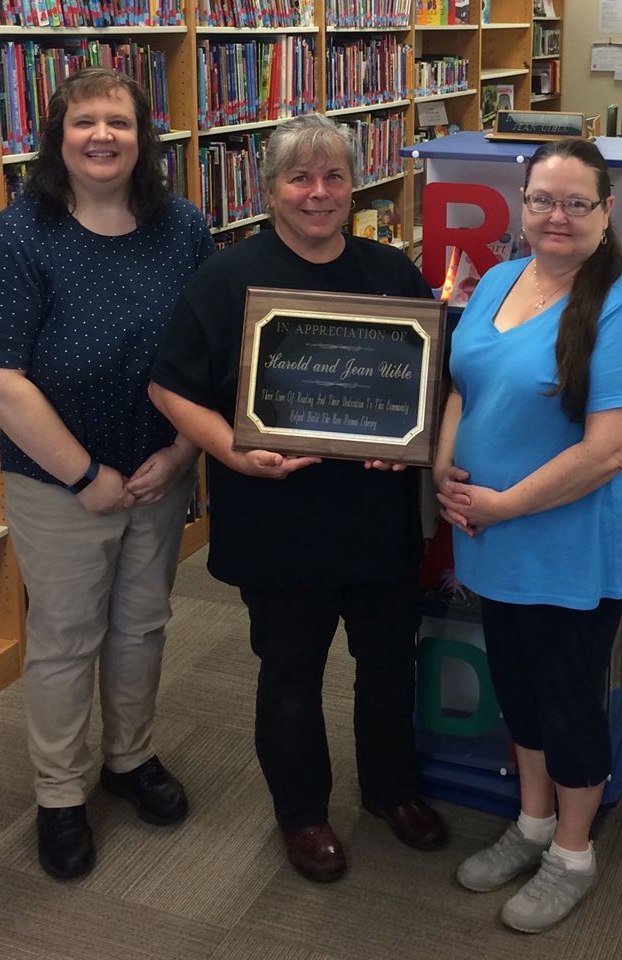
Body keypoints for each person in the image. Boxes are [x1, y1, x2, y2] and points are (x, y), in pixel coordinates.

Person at [148, 113, 447, 884]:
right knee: (290, 672)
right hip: (276, 520)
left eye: (335, 177)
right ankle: (303, 814)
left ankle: (391, 791)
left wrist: (408, 441)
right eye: (300, 178)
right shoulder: (226, 277)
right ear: (270, 188)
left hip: (378, 519)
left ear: (354, 186)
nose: (319, 194)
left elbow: (431, 383)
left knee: (388, 661)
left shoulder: (392, 273)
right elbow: (170, 386)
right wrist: (233, 451)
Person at [0, 68, 215, 880]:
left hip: (159, 465)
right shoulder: (20, 232)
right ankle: (60, 793)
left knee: (142, 623)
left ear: (145, 136)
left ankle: (129, 758)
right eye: (83, 123)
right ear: (57, 138)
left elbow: (209, 354)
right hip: (59, 479)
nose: (102, 136)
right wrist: (85, 476)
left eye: (119, 122)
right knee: (68, 637)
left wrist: (181, 452)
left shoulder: (185, 228)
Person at [434, 138, 622, 933]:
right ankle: (531, 823)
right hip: (492, 536)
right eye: (542, 200)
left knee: (569, 704)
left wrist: (502, 506)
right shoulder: (500, 278)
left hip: (568, 544)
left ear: (608, 211)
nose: (556, 217)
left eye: (577, 203)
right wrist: (444, 469)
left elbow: (613, 449)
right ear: (522, 203)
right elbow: (466, 385)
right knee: (521, 693)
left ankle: (573, 851)